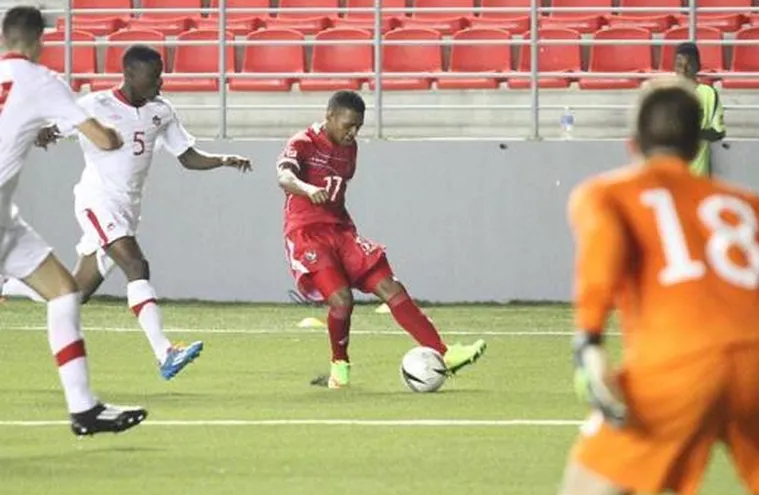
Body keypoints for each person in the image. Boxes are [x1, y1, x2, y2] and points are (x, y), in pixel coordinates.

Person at [559, 78, 759, 495]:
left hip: (677, 361)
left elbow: (601, 254)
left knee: (587, 486)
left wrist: (589, 342)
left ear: (633, 143)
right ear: (697, 146)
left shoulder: (607, 193)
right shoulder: (749, 204)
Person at [2, 44, 253, 380]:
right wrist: (39, 133)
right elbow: (51, 129)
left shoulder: (161, 111)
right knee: (136, 265)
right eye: (153, 77)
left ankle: (6, 286)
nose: (160, 83)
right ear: (130, 74)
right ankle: (165, 352)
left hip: (128, 208)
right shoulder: (95, 104)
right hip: (97, 201)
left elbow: (187, 157)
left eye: (161, 76)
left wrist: (223, 159)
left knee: (73, 294)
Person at [0, 5, 147, 435]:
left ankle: (84, 409)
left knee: (64, 292)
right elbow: (101, 138)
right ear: (38, 42)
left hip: (5, 219)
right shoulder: (42, 81)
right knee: (64, 295)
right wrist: (114, 134)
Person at [276, 90, 487, 389]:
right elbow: (284, 177)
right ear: (329, 116)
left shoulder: (351, 149)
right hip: (307, 233)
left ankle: (446, 354)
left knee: (390, 286)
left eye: (358, 127)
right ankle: (340, 367)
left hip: (341, 230)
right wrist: (307, 189)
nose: (353, 133)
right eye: (348, 125)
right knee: (342, 300)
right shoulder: (303, 143)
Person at [674, 42, 726, 177]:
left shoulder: (709, 94)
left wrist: (694, 133)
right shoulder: (666, 94)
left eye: (689, 64)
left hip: (698, 176)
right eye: (680, 65)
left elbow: (719, 132)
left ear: (698, 66)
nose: (684, 70)